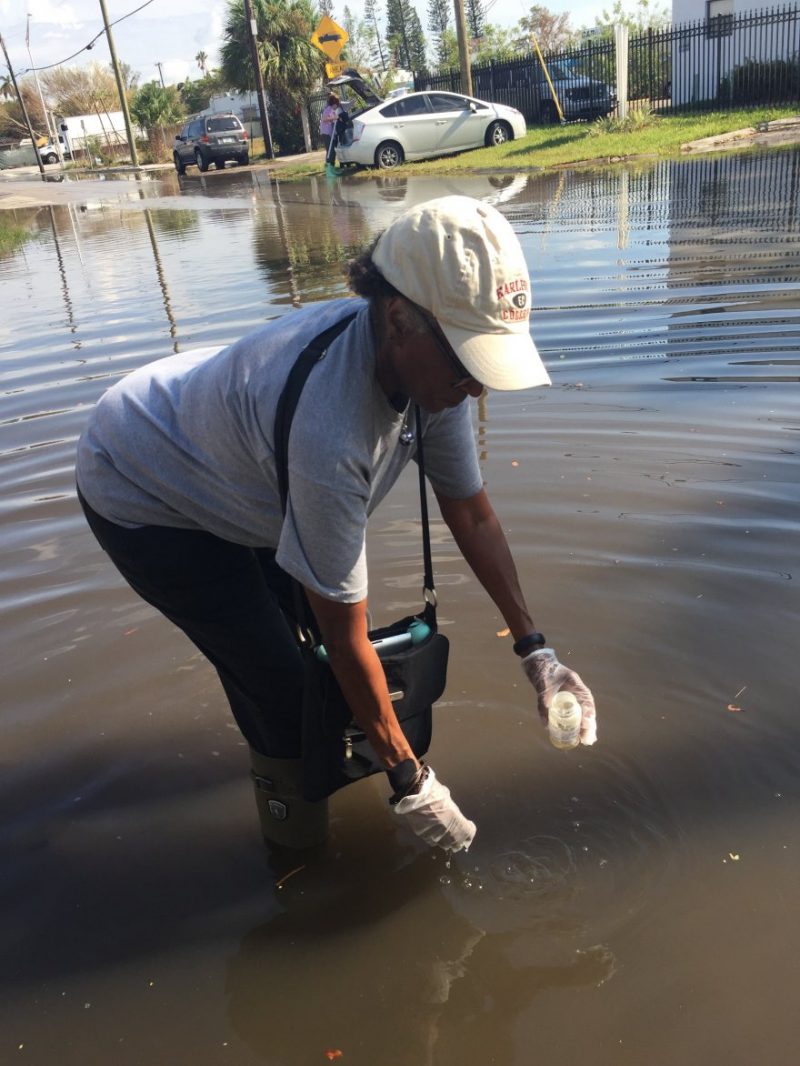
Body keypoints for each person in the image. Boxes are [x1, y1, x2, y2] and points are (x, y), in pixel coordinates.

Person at [75, 196, 597, 854]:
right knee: (285, 690)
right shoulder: (332, 436)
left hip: (241, 463)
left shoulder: (435, 377)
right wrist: (412, 779)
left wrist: (537, 653)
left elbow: (470, 510)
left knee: (307, 673)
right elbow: (345, 633)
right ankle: (295, 859)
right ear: (399, 316)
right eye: (469, 361)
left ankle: (293, 767)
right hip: (142, 483)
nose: (478, 388)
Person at [318, 93, 340, 158]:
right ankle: (329, 166)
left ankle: (329, 165)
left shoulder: (332, 110)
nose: (337, 106)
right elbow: (324, 119)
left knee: (330, 149)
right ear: (335, 103)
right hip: (326, 132)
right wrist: (334, 118)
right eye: (337, 105)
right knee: (330, 150)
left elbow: (332, 119)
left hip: (328, 132)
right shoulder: (328, 109)